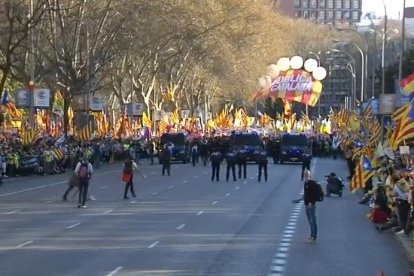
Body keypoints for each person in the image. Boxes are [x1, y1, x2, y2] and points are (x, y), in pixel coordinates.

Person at [303, 170, 319, 243]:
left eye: (307, 174)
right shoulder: (306, 183)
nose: (305, 176)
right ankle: (311, 235)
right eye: (305, 174)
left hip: (311, 205)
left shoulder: (312, 183)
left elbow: (315, 193)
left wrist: (311, 202)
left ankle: (313, 236)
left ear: (310, 175)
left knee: (312, 220)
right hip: (306, 204)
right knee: (310, 221)